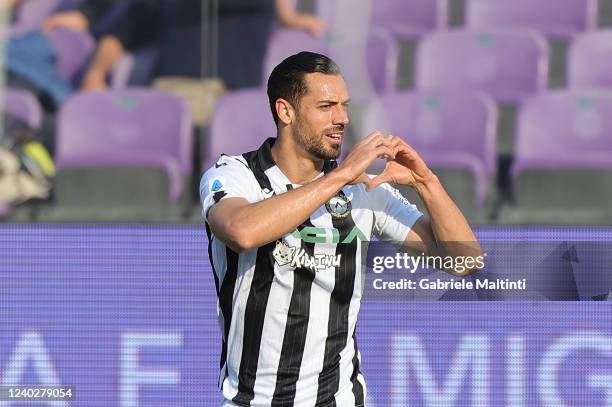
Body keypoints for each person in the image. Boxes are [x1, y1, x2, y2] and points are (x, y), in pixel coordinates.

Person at [200, 51, 481, 406]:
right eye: (327, 106)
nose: (342, 118)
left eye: (345, 106)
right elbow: (242, 231)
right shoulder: (234, 175)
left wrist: (427, 183)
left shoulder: (364, 191)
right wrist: (342, 175)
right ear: (285, 111)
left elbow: (465, 261)